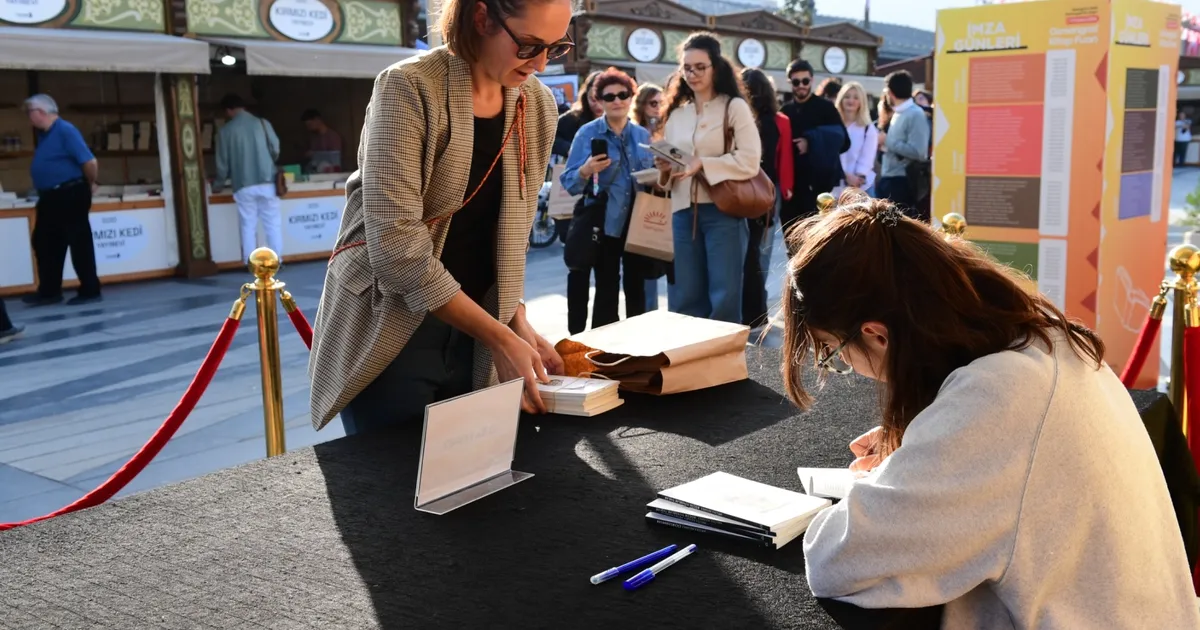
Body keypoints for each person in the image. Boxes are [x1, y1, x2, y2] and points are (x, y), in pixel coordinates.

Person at [782, 199, 1199, 628]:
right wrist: (926, 440)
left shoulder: (997, 400)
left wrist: (891, 476)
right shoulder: (1044, 339)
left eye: (833, 352)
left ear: (876, 334)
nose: (844, 366)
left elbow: (836, 559)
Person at [308, 0, 571, 435]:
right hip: (393, 319)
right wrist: (501, 337)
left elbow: (512, 232)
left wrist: (515, 320)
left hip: (479, 319)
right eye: (528, 45)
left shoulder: (537, 104)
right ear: (482, 17)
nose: (541, 63)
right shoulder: (408, 86)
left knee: (475, 476)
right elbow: (396, 247)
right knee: (390, 482)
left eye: (556, 47)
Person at [656, 32, 761, 325]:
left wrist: (702, 163)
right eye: (686, 67)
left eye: (700, 66)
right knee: (684, 296)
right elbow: (671, 172)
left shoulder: (734, 106)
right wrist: (664, 167)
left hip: (723, 210)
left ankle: (723, 366)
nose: (692, 73)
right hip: (681, 211)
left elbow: (750, 161)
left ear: (716, 66)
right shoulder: (677, 113)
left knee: (724, 296)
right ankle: (689, 363)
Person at [559, 67, 655, 334]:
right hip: (603, 222)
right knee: (606, 288)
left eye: (623, 95)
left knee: (637, 289)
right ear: (599, 101)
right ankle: (605, 350)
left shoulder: (642, 136)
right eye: (609, 96)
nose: (616, 101)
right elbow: (569, 182)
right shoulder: (588, 134)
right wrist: (586, 169)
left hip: (638, 223)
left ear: (631, 97)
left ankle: (639, 346)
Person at [23, 94, 102, 307]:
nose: (28, 117)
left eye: (29, 112)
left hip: (70, 192)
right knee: (44, 241)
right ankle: (49, 291)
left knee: (78, 241)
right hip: (50, 196)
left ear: (41, 112)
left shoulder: (65, 130)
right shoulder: (45, 135)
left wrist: (89, 182)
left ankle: (90, 289)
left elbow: (89, 161)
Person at [739, 67, 793, 329]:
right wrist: (785, 190)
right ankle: (757, 313)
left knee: (742, 252)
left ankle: (745, 310)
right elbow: (784, 161)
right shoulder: (780, 120)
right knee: (762, 253)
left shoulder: (739, 118)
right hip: (768, 193)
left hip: (738, 191)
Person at [780, 60, 848, 244]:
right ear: (789, 82)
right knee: (792, 242)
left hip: (818, 188)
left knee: (817, 243)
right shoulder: (785, 111)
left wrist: (812, 141)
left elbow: (844, 141)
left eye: (805, 81)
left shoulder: (825, 108)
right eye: (796, 82)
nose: (801, 86)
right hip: (791, 189)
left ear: (812, 80)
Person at [214, 94, 284, 262]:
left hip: (243, 183)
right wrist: (266, 162)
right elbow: (275, 148)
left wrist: (218, 184)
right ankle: (276, 260)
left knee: (248, 224)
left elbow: (222, 164)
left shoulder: (225, 131)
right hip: (267, 181)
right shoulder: (263, 124)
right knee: (272, 223)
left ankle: (249, 261)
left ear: (229, 110)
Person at [876, 70, 930, 220]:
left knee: (895, 230)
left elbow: (919, 152)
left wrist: (886, 141)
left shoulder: (915, 114)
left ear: (890, 92)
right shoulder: (899, 113)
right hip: (889, 179)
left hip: (902, 182)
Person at [631, 81, 666, 312]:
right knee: (645, 266)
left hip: (665, 200)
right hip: (641, 204)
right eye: (653, 103)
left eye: (661, 104)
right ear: (642, 105)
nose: (658, 108)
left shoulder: (666, 131)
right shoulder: (633, 133)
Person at [830, 82, 878, 199]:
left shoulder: (868, 128)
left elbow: (867, 157)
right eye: (847, 97)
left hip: (861, 188)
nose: (851, 101)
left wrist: (857, 178)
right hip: (834, 188)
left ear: (861, 102)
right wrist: (845, 175)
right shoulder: (832, 125)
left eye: (856, 97)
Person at [553, 70, 602, 160]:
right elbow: (549, 137)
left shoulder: (622, 121)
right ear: (586, 97)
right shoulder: (573, 118)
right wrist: (569, 149)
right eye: (593, 100)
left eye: (601, 100)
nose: (598, 105)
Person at [301, 109, 343, 173]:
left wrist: (314, 154)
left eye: (310, 124)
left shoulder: (333, 136)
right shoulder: (313, 138)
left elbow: (335, 157)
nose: (308, 128)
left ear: (317, 120)